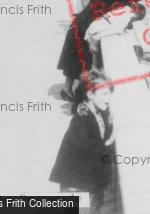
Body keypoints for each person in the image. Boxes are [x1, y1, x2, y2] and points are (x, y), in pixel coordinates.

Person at [57, 0, 150, 101]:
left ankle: (67, 89)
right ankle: (70, 91)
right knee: (81, 60)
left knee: (75, 59)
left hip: (84, 21)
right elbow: (117, 17)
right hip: (86, 25)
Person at [49, 71, 116, 214]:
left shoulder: (94, 112)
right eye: (104, 94)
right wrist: (111, 140)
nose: (109, 98)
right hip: (76, 185)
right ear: (90, 95)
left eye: (110, 93)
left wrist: (109, 126)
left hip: (85, 182)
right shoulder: (80, 122)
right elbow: (95, 152)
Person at [85, 3, 147, 68]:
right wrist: (98, 37)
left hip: (96, 25)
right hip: (97, 30)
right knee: (96, 59)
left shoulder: (124, 9)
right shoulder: (128, 15)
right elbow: (118, 30)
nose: (133, 21)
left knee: (94, 58)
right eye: (136, 19)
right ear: (137, 15)